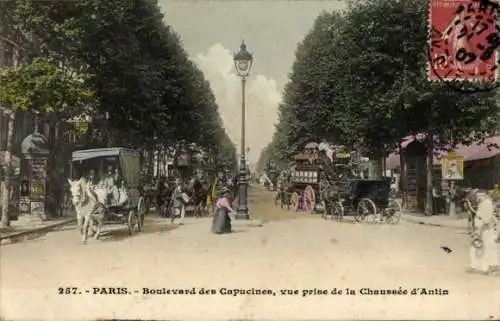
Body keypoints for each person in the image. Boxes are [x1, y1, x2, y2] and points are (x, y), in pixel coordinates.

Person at [465, 189, 500, 276]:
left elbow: (486, 220)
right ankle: (474, 265)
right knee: (476, 248)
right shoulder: (482, 203)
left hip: (486, 230)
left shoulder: (487, 203)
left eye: (479, 196)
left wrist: (479, 230)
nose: (478, 198)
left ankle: (492, 267)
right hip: (481, 229)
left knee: (488, 248)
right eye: (477, 196)